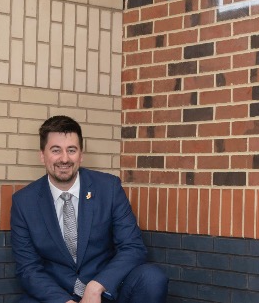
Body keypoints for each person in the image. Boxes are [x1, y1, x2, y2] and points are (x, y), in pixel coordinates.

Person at [11, 115, 168, 303]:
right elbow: (28, 268)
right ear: (42, 155)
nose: (64, 158)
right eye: (56, 150)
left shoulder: (108, 188)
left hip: (105, 290)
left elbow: (133, 247)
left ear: (81, 155)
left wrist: (97, 285)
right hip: (57, 294)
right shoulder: (24, 202)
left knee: (152, 277)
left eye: (71, 150)